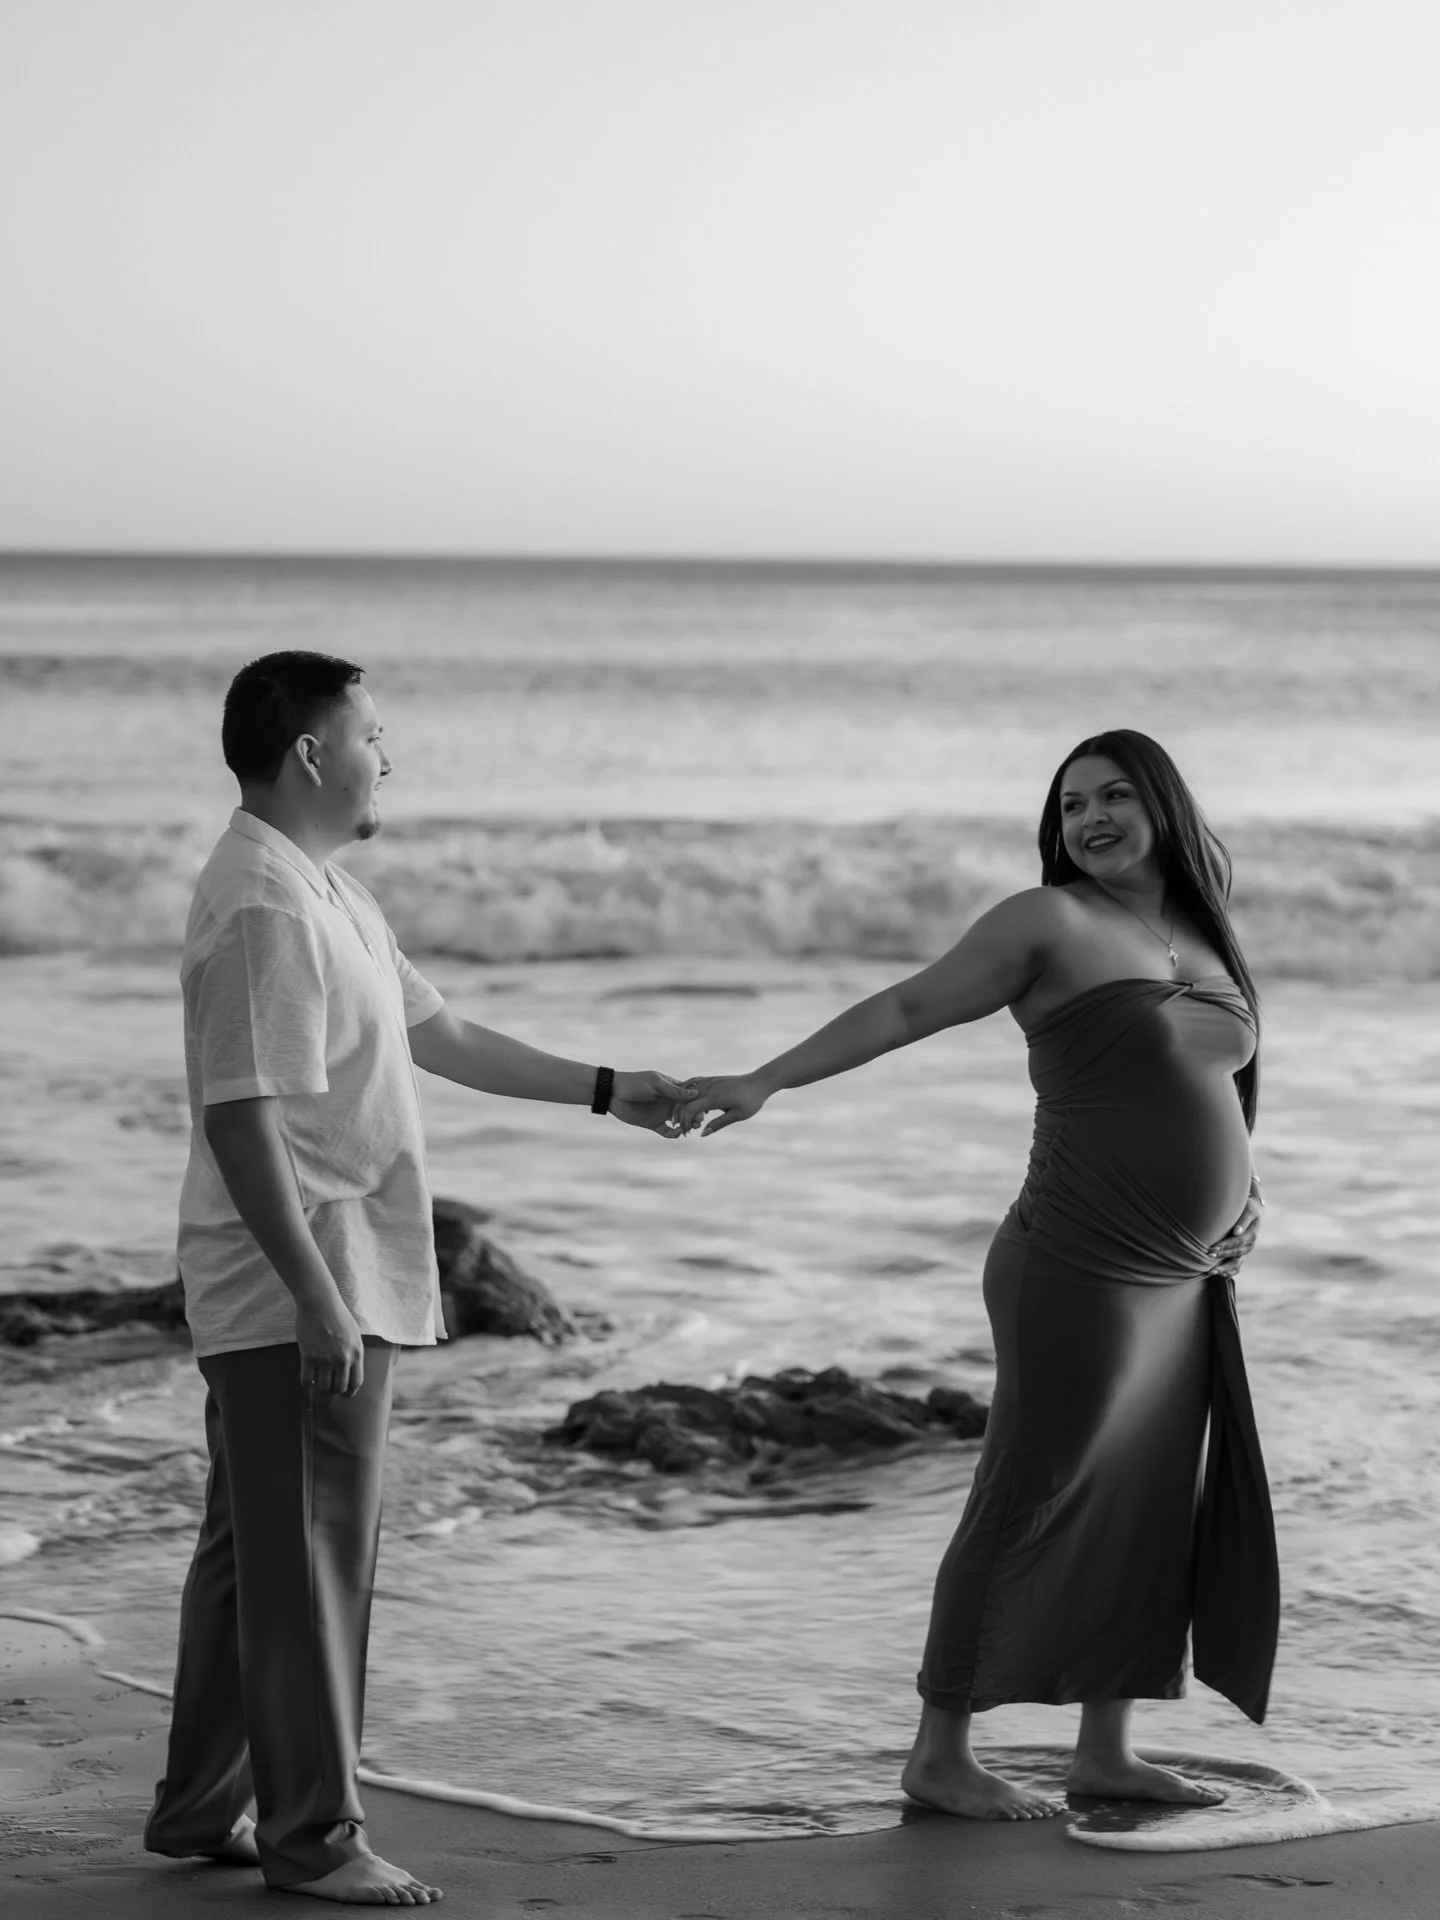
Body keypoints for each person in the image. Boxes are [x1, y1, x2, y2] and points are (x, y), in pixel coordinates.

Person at [144, 651, 685, 1905]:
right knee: (313, 1557)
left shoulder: (324, 889)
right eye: (376, 736)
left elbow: (444, 1036)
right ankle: (314, 1840)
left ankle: (196, 1806)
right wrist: (318, 1298)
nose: (393, 757)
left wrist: (615, 1090)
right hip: (304, 1282)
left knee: (254, 1554)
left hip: (330, 1271)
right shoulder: (268, 906)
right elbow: (242, 1119)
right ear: (313, 755)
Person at [676, 729, 1280, 1822]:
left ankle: (1107, 1748)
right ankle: (940, 1751)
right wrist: (768, 1079)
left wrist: (1245, 1198)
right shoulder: (1045, 921)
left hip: (1186, 1270)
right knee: (1028, 1490)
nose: (1088, 820)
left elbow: (1218, 1086)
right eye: (1070, 805)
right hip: (1077, 1257)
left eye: (1111, 797)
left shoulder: (1199, 925)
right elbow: (905, 1008)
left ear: (1164, 806)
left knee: (1148, 1500)